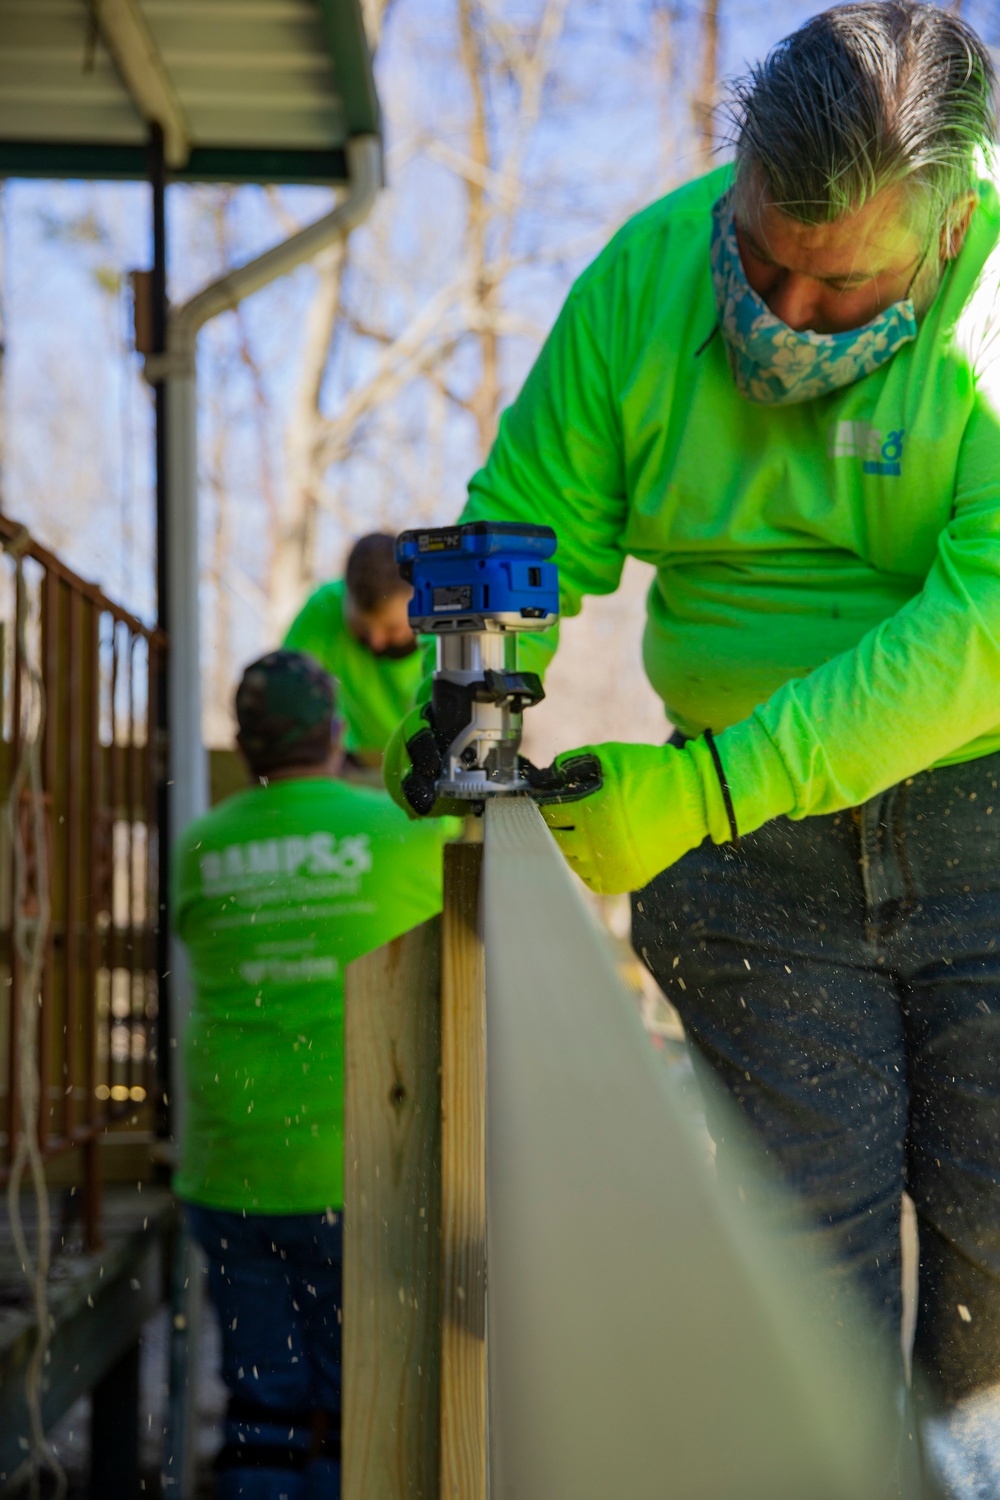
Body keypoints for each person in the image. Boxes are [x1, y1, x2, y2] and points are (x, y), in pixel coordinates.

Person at [385, 2, 1000, 1485]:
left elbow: (984, 623)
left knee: (991, 1229)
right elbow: (530, 515)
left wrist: (711, 789)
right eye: (763, 249)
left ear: (953, 216)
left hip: (981, 825)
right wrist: (478, 688)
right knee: (806, 1262)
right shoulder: (651, 280)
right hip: (751, 876)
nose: (783, 306)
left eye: (839, 283)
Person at [173, 651, 455, 1499]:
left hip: (232, 1166)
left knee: (262, 1405)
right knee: (353, 1404)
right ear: (336, 735)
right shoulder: (398, 830)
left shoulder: (201, 844)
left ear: (245, 746)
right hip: (359, 1169)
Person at [284, 533, 424, 770]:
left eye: (392, 629)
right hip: (353, 768)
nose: (376, 643)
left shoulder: (448, 625)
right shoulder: (324, 609)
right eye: (362, 628)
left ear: (421, 598)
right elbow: (289, 693)